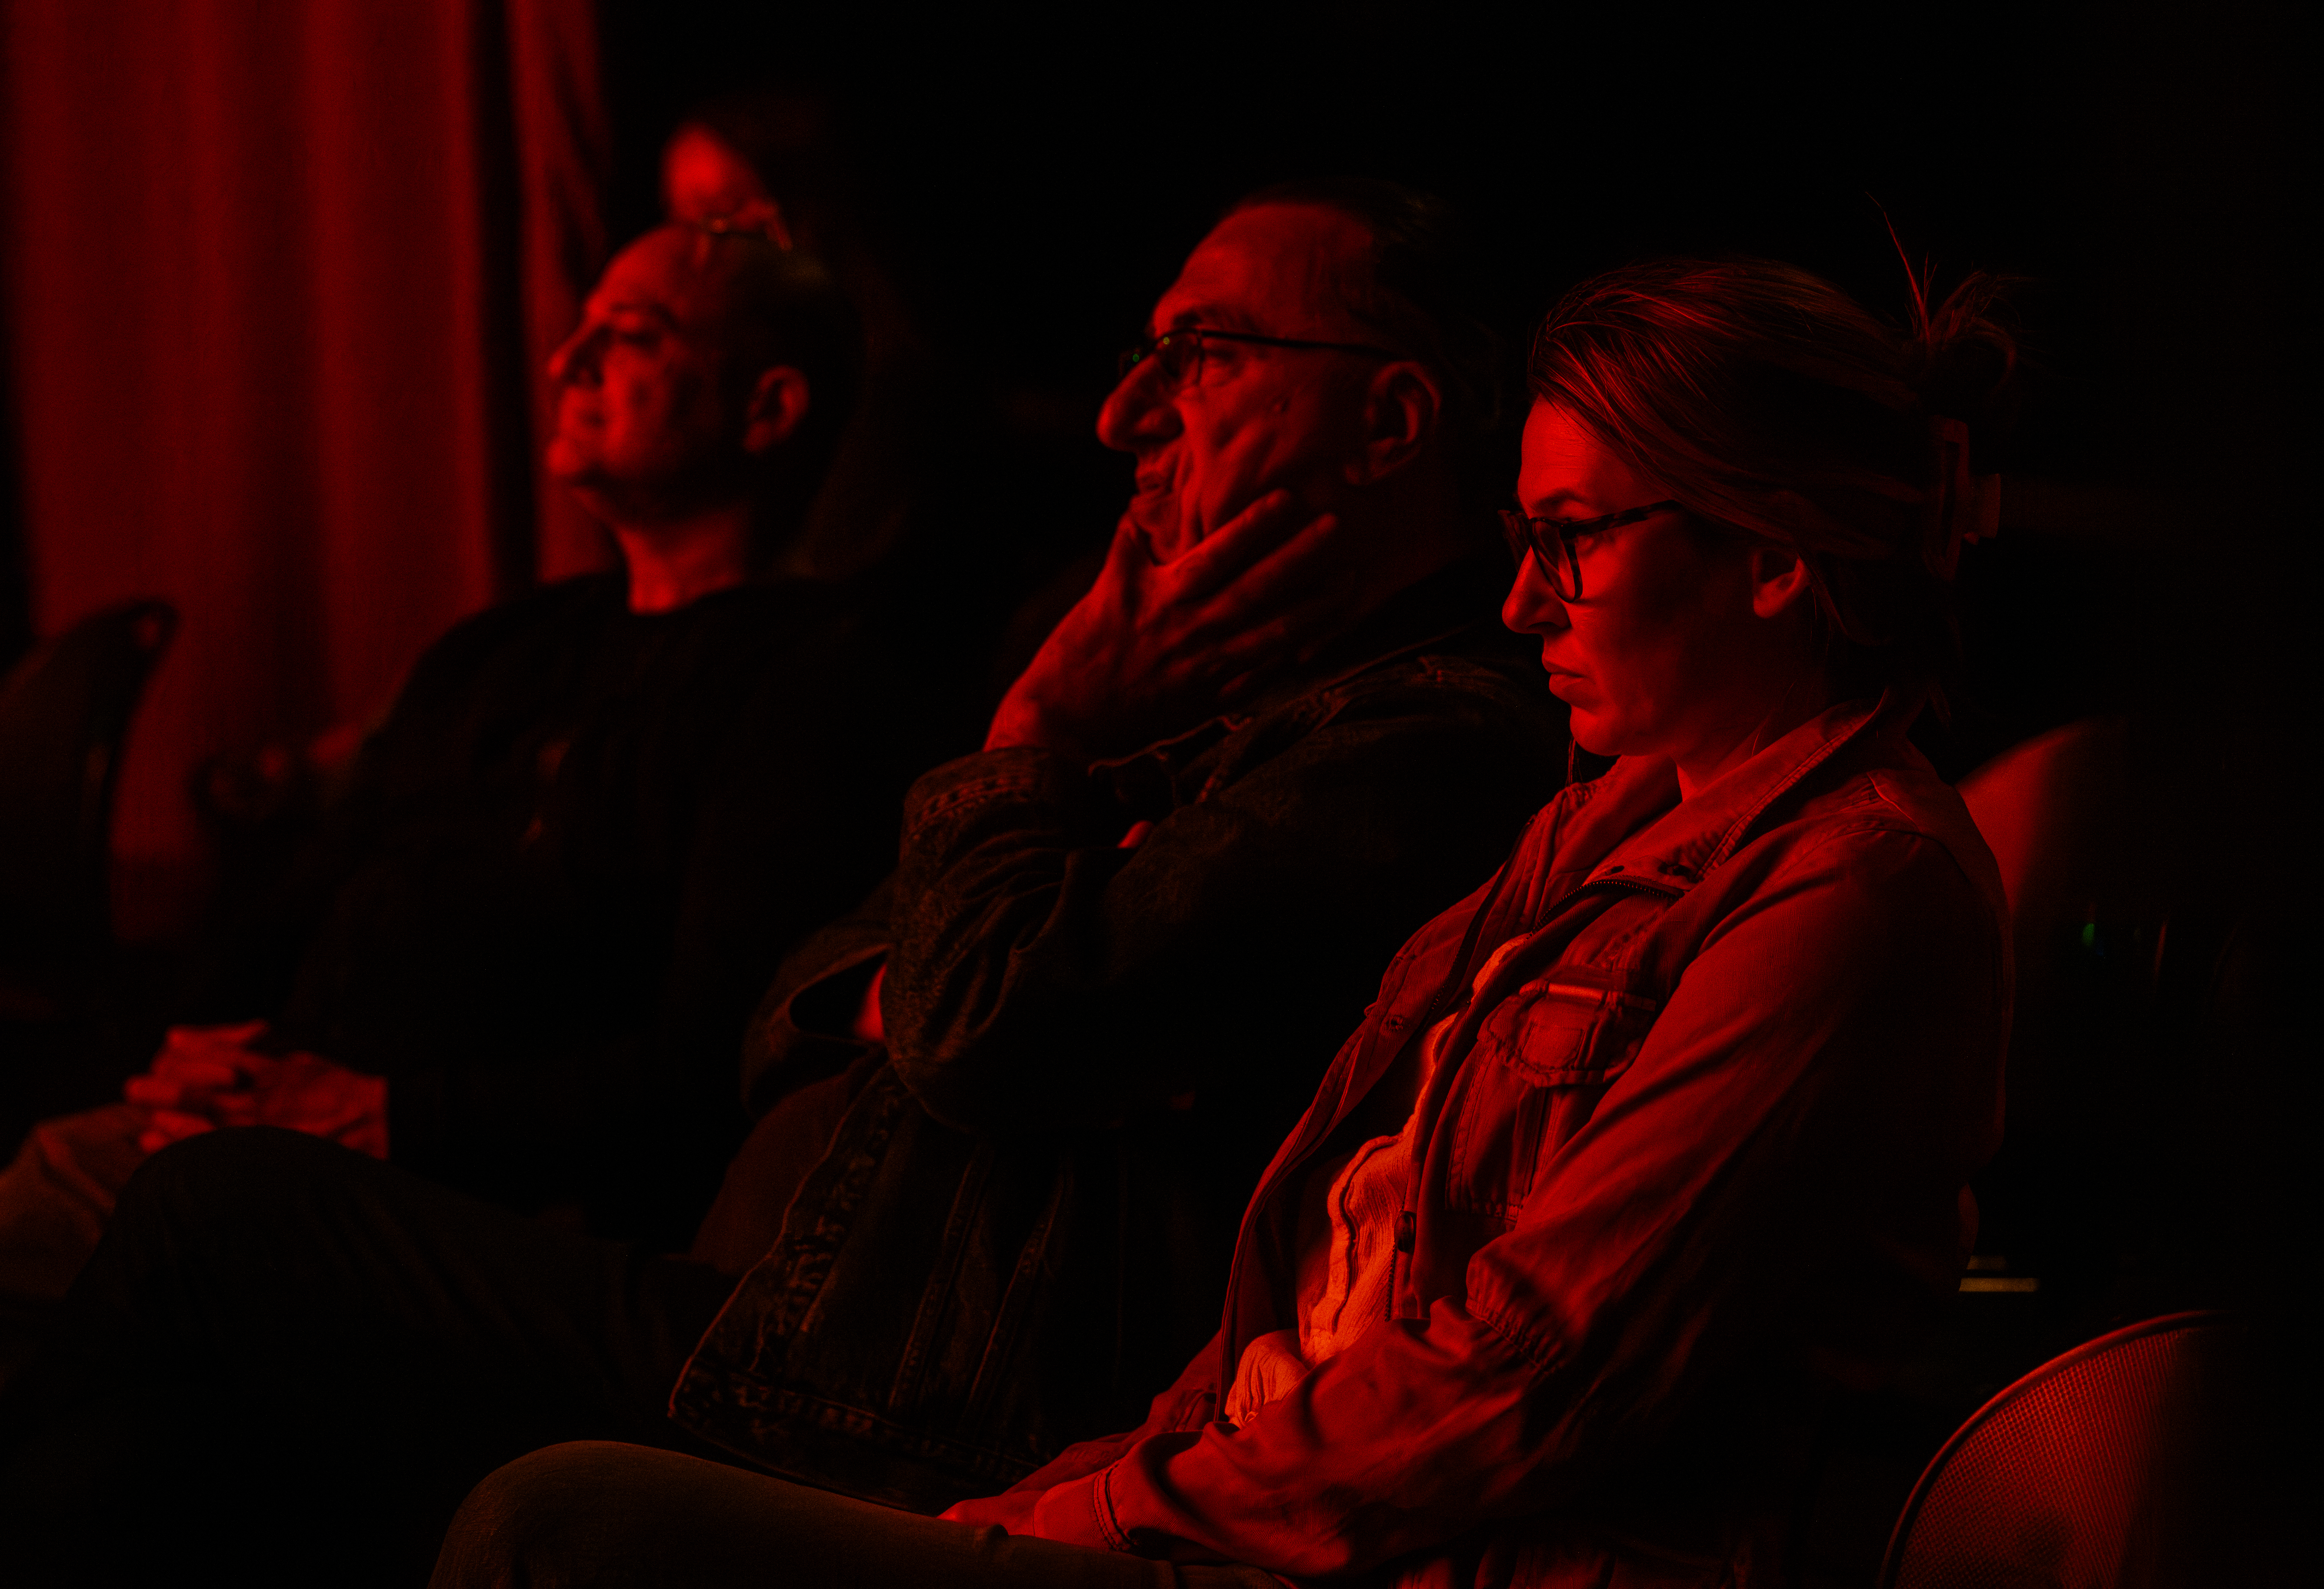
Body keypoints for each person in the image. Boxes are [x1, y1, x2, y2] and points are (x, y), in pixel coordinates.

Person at [0, 180, 1566, 1587]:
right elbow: (794, 1003)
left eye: (1201, 353)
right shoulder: (1187, 701)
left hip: (908, 1399)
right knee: (183, 1393)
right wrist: (948, 949)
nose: (1122, 414)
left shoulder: (1423, 742)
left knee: (214, 1215)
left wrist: (1029, 743)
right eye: (1138, 355)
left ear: (1390, 422)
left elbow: (968, 1025)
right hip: (806, 1321)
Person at [423, 254, 2017, 1588]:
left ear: (1772, 559)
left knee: (552, 1523)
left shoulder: (1848, 891)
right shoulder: (1591, 821)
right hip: (1228, 1504)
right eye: (1523, 542)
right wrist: (1082, 1484)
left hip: (1412, 1557)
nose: (1523, 600)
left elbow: (1518, 1376)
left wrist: (1086, 1516)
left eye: (1571, 542)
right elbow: (1311, 1287)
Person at [0, 216, 968, 1291]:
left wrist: (392, 1114)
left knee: (41, 1224)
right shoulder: (497, 649)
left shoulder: (817, 682)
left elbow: (720, 1047)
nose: (566, 362)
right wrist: (194, 1049)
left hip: (477, 1194)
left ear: (769, 407)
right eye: (581, 326)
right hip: (271, 1125)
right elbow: (303, 896)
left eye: (633, 333)